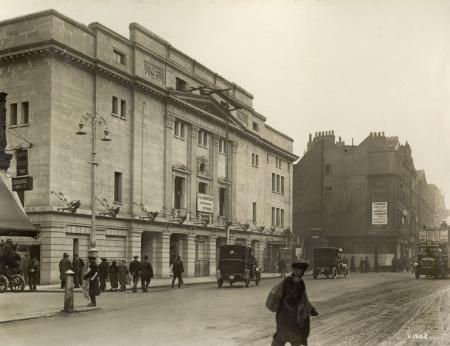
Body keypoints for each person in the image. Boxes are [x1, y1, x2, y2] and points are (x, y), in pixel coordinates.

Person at [271, 260, 318, 346]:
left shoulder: (293, 282)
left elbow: (303, 298)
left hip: (286, 317)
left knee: (282, 337)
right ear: (298, 271)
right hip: (291, 317)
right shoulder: (291, 282)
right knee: (293, 338)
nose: (302, 273)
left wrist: (311, 309)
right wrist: (310, 309)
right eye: (302, 271)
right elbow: (302, 299)